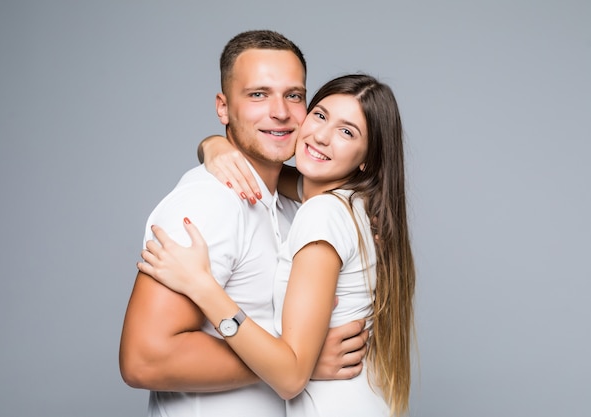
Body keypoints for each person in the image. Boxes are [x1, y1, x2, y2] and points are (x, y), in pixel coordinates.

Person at [119, 30, 368, 417]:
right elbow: (144, 359)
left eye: (294, 95)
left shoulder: (297, 204)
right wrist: (298, 365)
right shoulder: (206, 203)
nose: (281, 111)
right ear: (223, 108)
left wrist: (210, 143)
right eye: (258, 94)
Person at [139, 74, 416, 416]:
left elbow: (289, 378)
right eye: (320, 115)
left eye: (347, 132)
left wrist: (202, 286)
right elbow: (260, 171)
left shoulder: (322, 213)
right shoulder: (349, 202)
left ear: (367, 160)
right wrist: (213, 145)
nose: (322, 136)